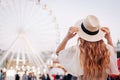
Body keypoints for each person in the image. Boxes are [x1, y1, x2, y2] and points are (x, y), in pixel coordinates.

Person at [56, 15, 120, 80]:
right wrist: (109, 38)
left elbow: (59, 52)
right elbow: (114, 55)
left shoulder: (78, 51)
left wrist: (67, 37)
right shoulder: (106, 50)